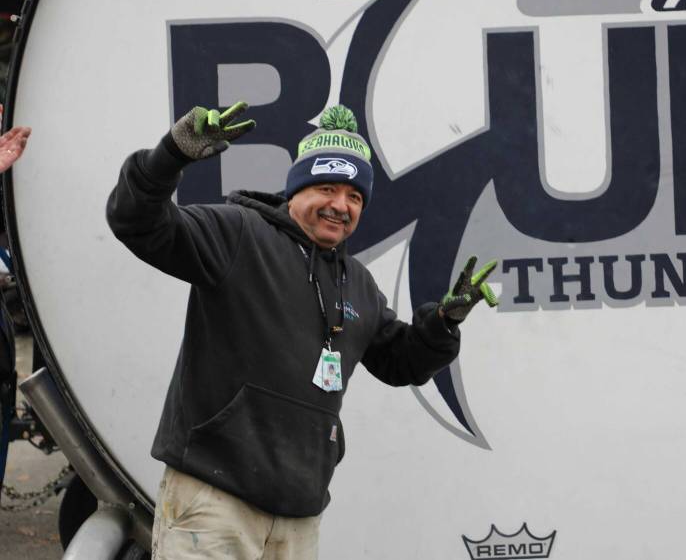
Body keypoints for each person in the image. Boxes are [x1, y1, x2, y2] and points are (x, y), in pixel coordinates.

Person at [106, 102, 497, 559]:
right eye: (326, 188)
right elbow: (138, 222)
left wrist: (443, 324)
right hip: (213, 501)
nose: (340, 205)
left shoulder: (359, 283)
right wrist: (169, 156)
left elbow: (401, 362)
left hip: (298, 515)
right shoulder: (237, 233)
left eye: (354, 196)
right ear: (296, 190)